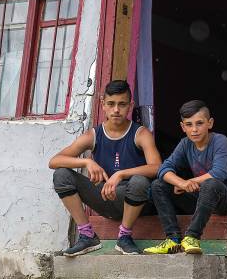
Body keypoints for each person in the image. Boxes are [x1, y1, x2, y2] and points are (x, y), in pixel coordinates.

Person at [49, 80, 162, 256]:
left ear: (130, 105)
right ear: (103, 104)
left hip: (134, 200)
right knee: (61, 174)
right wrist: (87, 162)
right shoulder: (94, 134)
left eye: (122, 104)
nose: (116, 110)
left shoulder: (140, 133)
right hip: (104, 197)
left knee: (140, 181)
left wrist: (121, 174)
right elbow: (54, 161)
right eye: (111, 104)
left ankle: (124, 237)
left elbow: (157, 168)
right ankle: (87, 236)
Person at [145, 100, 227, 255]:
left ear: (210, 123)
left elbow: (219, 173)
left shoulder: (220, 141)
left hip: (223, 198)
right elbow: (164, 169)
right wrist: (180, 182)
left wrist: (188, 182)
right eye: (189, 124)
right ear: (182, 127)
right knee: (158, 185)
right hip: (199, 196)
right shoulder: (185, 144)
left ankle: (192, 237)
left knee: (210, 184)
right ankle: (172, 239)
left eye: (199, 123)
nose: (194, 129)